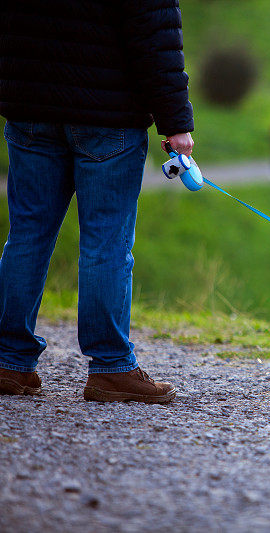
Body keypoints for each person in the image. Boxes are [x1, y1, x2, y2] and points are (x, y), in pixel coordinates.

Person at [0, 0, 195, 403]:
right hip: (108, 117)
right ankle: (111, 368)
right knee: (106, 242)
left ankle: (8, 361)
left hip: (30, 105)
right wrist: (175, 122)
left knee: (27, 234)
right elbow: (155, 33)